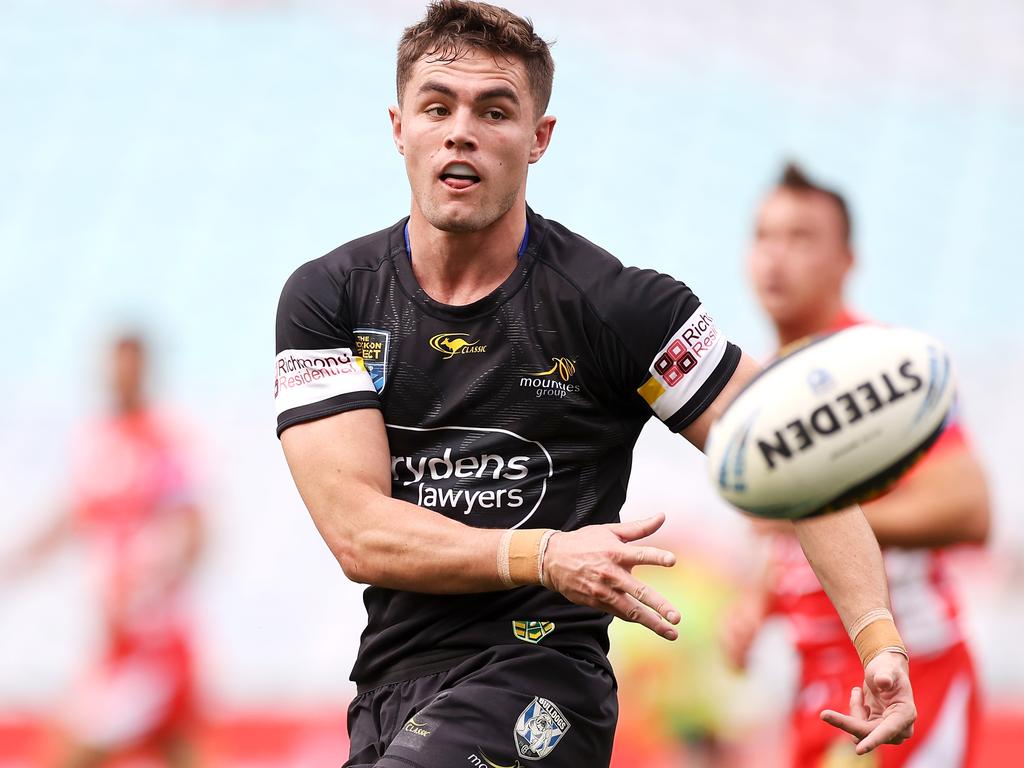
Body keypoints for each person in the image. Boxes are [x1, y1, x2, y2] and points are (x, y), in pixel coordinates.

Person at [275, 4, 917, 766]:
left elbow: (793, 455)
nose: (461, 131)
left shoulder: (620, 307)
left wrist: (879, 639)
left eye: (495, 110)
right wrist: (547, 553)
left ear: (538, 138)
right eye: (437, 106)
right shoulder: (330, 299)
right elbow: (358, 531)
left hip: (540, 681)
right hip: (391, 685)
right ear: (398, 125)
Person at [723, 163, 990, 767]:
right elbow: (793, 536)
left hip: (911, 673)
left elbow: (969, 508)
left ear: (847, 261)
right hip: (821, 685)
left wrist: (808, 510)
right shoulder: (765, 384)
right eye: (764, 236)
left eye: (801, 238)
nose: (776, 257)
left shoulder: (888, 369)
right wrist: (758, 605)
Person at [1, 335, 204, 768]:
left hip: (152, 640)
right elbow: (74, 515)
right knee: (178, 749)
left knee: (72, 750)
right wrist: (16, 560)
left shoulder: (163, 439)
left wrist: (158, 577)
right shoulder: (97, 440)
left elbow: (194, 527)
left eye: (129, 366)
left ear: (145, 370)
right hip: (117, 635)